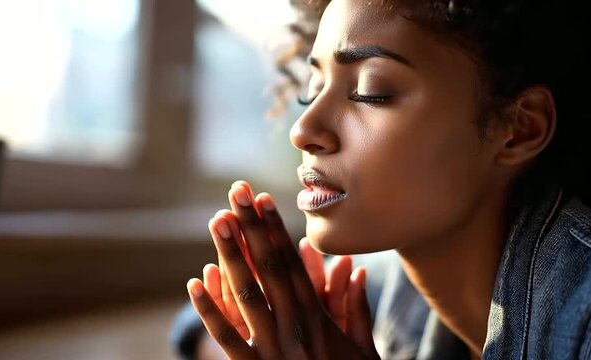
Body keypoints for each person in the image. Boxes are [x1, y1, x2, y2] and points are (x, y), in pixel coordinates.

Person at [175, 0, 591, 358]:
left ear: (519, 128)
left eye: (371, 92)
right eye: (314, 88)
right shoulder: (387, 278)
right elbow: (197, 320)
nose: (302, 129)